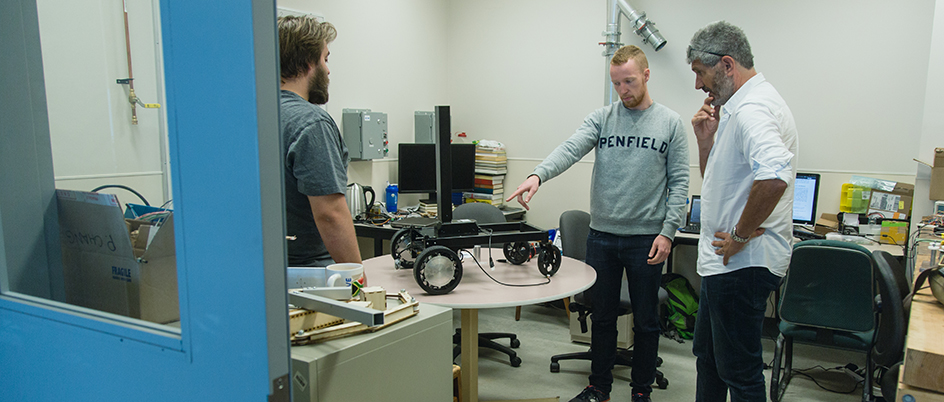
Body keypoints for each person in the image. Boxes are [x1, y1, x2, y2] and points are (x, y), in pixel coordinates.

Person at [506, 45, 689, 402]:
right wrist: (537, 176)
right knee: (602, 318)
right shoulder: (602, 119)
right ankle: (599, 387)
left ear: (647, 76)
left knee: (647, 321)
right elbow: (570, 148)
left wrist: (668, 233)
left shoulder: (670, 123)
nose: (624, 90)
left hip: (646, 240)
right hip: (602, 237)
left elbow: (680, 184)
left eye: (630, 81)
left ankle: (641, 390)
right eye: (617, 83)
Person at [687, 21, 798, 402]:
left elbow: (774, 177)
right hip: (724, 264)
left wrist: (739, 234)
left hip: (740, 265)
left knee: (740, 371)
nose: (699, 85)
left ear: (727, 65)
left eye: (701, 73)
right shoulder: (736, 109)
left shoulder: (753, 108)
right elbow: (721, 185)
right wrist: (706, 143)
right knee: (710, 358)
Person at [278, 16, 361, 267]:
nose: (328, 69)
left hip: (264, 270)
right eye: (325, 58)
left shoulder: (251, 115)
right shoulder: (312, 123)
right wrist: (357, 278)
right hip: (310, 273)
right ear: (308, 62)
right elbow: (330, 214)